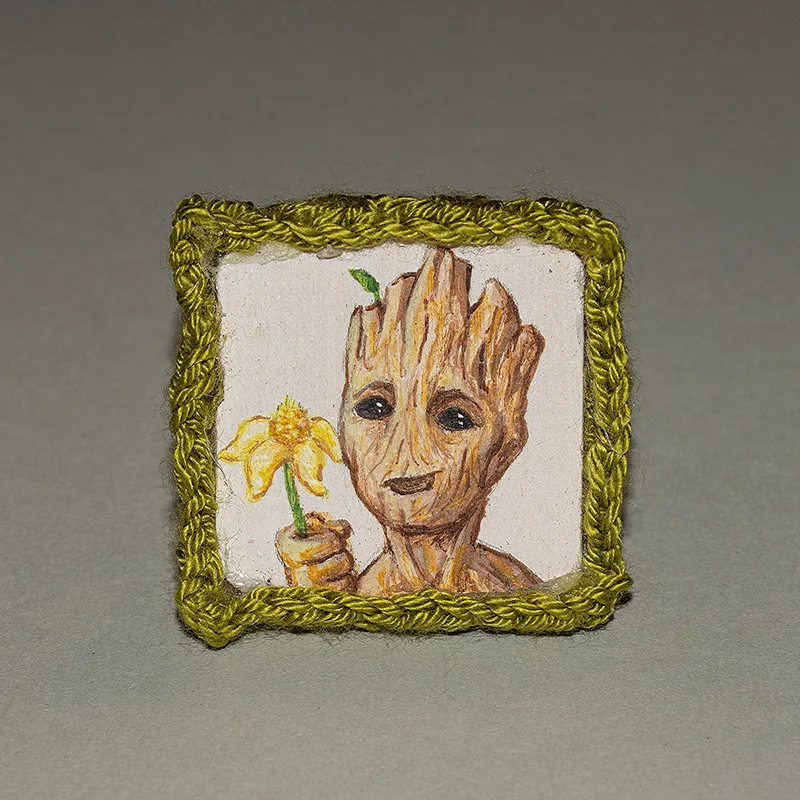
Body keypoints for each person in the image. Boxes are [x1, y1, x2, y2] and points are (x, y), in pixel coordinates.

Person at [276, 246, 545, 595]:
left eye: (454, 418)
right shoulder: (353, 592)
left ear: (505, 447)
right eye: (375, 408)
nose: (407, 444)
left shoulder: (519, 594)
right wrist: (316, 600)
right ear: (342, 432)